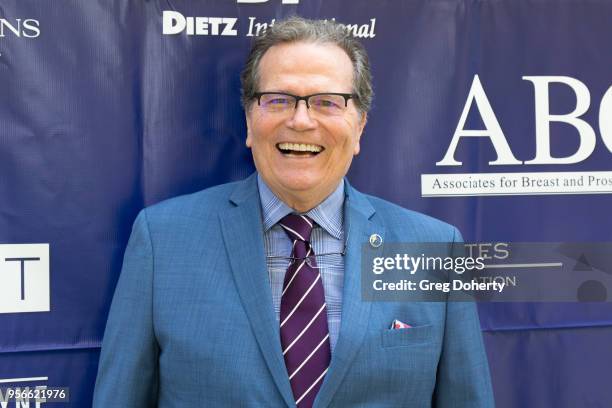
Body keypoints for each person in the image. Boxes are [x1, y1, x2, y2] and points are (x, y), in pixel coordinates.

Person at [93, 16, 494, 408]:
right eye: (279, 100)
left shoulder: (434, 248)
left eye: (327, 102)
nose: (301, 121)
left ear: (360, 126)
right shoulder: (163, 240)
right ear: (250, 120)